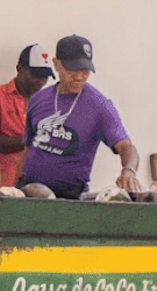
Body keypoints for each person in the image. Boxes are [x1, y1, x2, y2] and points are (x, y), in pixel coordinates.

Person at [18, 34, 141, 199]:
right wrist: (14, 187)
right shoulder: (38, 99)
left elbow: (126, 147)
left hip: (69, 197)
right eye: (72, 69)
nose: (79, 77)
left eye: (85, 71)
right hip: (29, 191)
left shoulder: (99, 106)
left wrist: (129, 170)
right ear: (56, 64)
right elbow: (27, 148)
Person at [0, 44, 53, 188]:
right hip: (13, 187)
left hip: (48, 184)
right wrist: (31, 140)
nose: (41, 80)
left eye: (45, 76)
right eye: (36, 74)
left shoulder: (50, 103)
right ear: (19, 68)